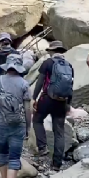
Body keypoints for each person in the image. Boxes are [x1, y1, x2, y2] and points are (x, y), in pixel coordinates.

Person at [0, 57, 32, 178]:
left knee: (3, 153)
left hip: (1, 123)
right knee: (14, 156)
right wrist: (28, 126)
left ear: (7, 66)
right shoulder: (24, 84)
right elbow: (27, 108)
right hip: (17, 124)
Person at [31, 41, 72, 170]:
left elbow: (40, 82)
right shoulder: (69, 66)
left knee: (37, 120)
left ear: (52, 52)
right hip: (62, 101)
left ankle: (42, 147)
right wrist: (68, 104)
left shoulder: (48, 63)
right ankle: (57, 164)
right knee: (59, 132)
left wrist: (33, 98)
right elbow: (70, 86)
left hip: (47, 99)